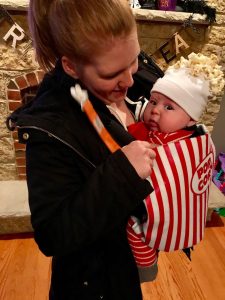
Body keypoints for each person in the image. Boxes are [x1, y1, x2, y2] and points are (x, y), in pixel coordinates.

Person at [6, 1, 157, 299]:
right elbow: (53, 234)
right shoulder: (51, 128)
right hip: (93, 284)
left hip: (125, 263)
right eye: (113, 73)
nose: (129, 79)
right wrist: (123, 172)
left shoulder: (126, 74)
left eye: (134, 59)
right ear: (71, 66)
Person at [126, 52, 225, 283]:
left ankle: (144, 267)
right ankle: (147, 265)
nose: (156, 110)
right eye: (153, 102)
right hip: (162, 216)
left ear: (191, 119)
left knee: (134, 225)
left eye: (169, 107)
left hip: (176, 212)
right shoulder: (148, 130)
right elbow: (131, 135)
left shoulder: (195, 140)